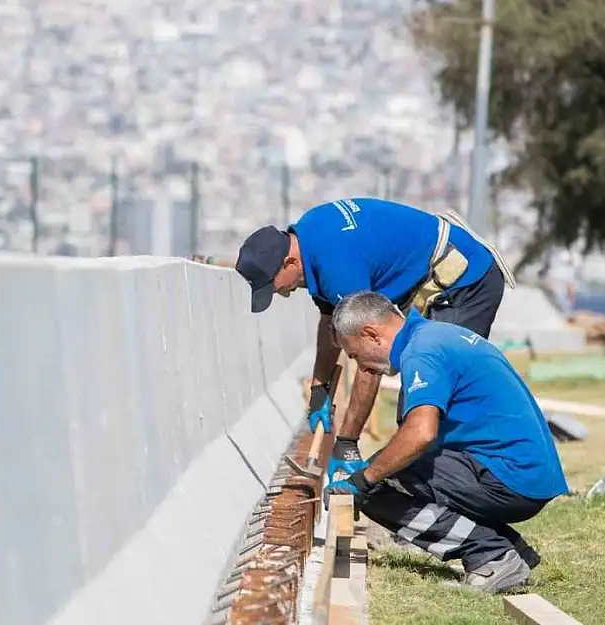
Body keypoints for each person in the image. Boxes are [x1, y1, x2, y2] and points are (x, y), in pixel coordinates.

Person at [233, 197, 516, 481]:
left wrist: (347, 441)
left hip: (466, 282)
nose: (281, 293)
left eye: (274, 286)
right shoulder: (310, 237)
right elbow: (332, 318)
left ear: (290, 262)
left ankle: (481, 482)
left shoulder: (336, 265)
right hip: (436, 285)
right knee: (420, 406)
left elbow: (372, 357)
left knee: (427, 401)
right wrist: (320, 387)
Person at [324, 291, 568, 593]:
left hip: (512, 478)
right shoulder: (434, 335)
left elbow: (421, 433)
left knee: (376, 486)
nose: (363, 367)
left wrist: (363, 479)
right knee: (387, 467)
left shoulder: (421, 352)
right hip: (525, 473)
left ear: (371, 334)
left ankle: (490, 556)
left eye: (355, 355)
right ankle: (511, 548)